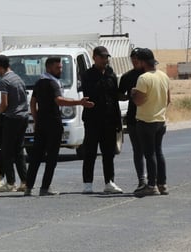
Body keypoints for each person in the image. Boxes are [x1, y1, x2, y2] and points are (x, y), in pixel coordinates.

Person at [23, 56, 94, 197]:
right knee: (51, 157)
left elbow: (33, 102)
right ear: (49, 68)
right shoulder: (52, 83)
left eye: (61, 67)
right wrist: (79, 102)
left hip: (42, 124)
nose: (60, 70)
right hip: (53, 124)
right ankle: (44, 188)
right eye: (57, 67)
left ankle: (29, 188)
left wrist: (37, 119)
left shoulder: (39, 82)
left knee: (36, 157)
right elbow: (59, 101)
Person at [80, 46, 124, 194]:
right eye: (102, 57)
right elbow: (91, 92)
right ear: (95, 57)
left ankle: (109, 182)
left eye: (107, 57)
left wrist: (118, 121)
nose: (105, 60)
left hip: (109, 120)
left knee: (108, 153)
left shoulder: (111, 74)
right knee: (90, 152)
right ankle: (88, 183)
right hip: (93, 120)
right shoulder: (87, 75)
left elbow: (114, 97)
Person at [130, 47, 171, 197]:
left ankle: (152, 185)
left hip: (146, 120)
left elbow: (139, 101)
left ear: (142, 62)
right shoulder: (164, 76)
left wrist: (133, 94)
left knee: (149, 154)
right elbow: (168, 100)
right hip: (160, 120)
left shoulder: (144, 78)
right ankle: (163, 184)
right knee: (158, 152)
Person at [0, 54, 29, 190]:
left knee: (7, 151)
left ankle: (11, 183)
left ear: (0, 67)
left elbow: (4, 103)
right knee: (19, 150)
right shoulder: (18, 78)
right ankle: (24, 182)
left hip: (12, 118)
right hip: (23, 117)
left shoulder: (4, 81)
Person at [116, 47, 146, 190]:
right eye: (133, 60)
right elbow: (120, 94)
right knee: (137, 150)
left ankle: (154, 179)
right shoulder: (127, 77)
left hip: (149, 117)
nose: (135, 62)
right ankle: (142, 179)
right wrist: (130, 96)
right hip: (133, 117)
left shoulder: (150, 75)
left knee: (151, 151)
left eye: (137, 60)